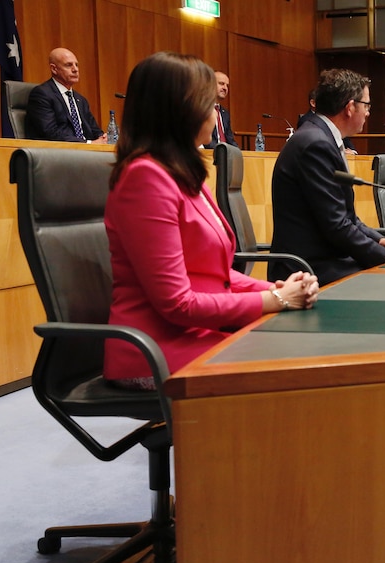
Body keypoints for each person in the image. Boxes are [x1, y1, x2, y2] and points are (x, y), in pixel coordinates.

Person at [104, 52, 319, 389]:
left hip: (197, 334)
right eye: (208, 103)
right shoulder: (144, 178)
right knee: (298, 362)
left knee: (309, 344)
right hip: (155, 350)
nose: (214, 111)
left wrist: (279, 288)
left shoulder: (182, 171)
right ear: (180, 110)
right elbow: (177, 302)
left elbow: (215, 278)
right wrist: (274, 300)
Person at [271, 68, 385, 285]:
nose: (368, 112)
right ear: (349, 107)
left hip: (326, 260)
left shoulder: (322, 137)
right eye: (366, 105)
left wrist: (382, 240)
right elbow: (336, 226)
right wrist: (384, 256)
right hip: (308, 269)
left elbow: (348, 218)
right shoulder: (315, 144)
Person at [26, 47, 106, 143]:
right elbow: (50, 133)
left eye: (76, 65)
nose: (75, 69)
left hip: (87, 152)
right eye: (68, 65)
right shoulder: (42, 94)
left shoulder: (80, 99)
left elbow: (94, 130)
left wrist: (103, 138)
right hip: (60, 153)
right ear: (54, 69)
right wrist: (88, 144)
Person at [297, 89, 357, 155]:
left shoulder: (333, 118)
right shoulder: (306, 120)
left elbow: (344, 138)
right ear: (313, 103)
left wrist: (352, 151)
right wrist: (340, 152)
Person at [204, 70, 238, 149]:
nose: (225, 88)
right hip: (209, 154)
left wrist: (240, 153)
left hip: (225, 155)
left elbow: (230, 140)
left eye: (227, 85)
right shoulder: (201, 109)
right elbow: (203, 139)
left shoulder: (224, 113)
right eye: (221, 84)